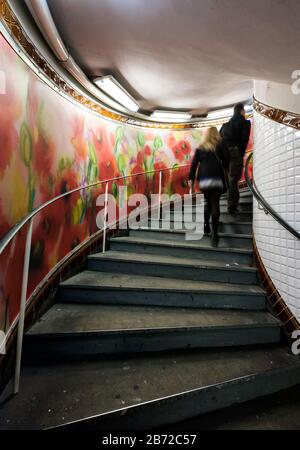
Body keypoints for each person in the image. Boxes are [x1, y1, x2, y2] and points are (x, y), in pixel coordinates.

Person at [188, 127, 227, 247]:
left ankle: (206, 226)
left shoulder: (200, 148)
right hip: (216, 178)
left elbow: (194, 164)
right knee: (215, 204)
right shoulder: (220, 146)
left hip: (204, 180)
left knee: (207, 202)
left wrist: (191, 178)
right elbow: (226, 160)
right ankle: (214, 234)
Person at [220, 103, 251, 214]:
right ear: (242, 111)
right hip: (234, 152)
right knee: (234, 179)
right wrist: (240, 153)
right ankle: (232, 205)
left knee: (230, 180)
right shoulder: (245, 123)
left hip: (224, 154)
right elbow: (244, 139)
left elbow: (220, 141)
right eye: (244, 111)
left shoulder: (225, 126)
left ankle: (232, 203)